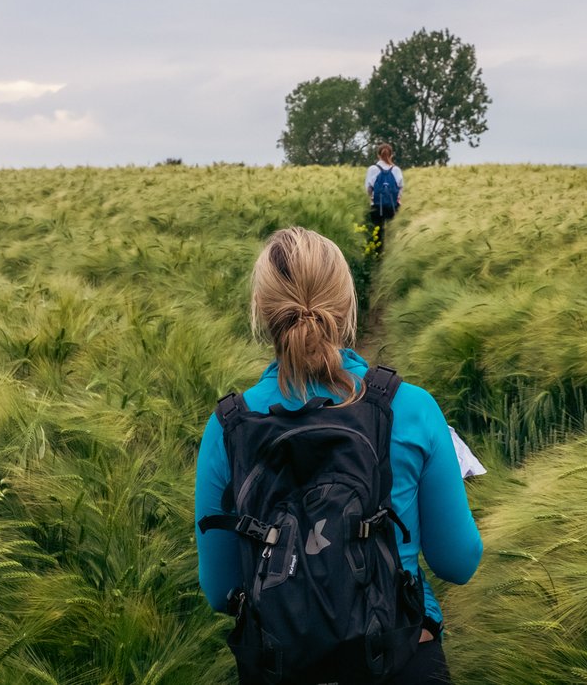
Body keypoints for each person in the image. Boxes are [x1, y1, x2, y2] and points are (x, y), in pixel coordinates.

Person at [195, 227, 482, 684]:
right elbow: (459, 562)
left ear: (262, 312)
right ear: (347, 306)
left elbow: (219, 590)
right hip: (400, 656)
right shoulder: (411, 408)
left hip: (280, 666)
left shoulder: (228, 426)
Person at [365, 144, 404, 248]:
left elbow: (368, 188)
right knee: (393, 231)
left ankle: (378, 256)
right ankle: (393, 251)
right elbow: (400, 187)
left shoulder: (373, 169)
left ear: (378, 155)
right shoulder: (396, 169)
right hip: (393, 205)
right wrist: (397, 198)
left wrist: (372, 197)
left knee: (377, 232)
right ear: (391, 155)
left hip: (377, 206)